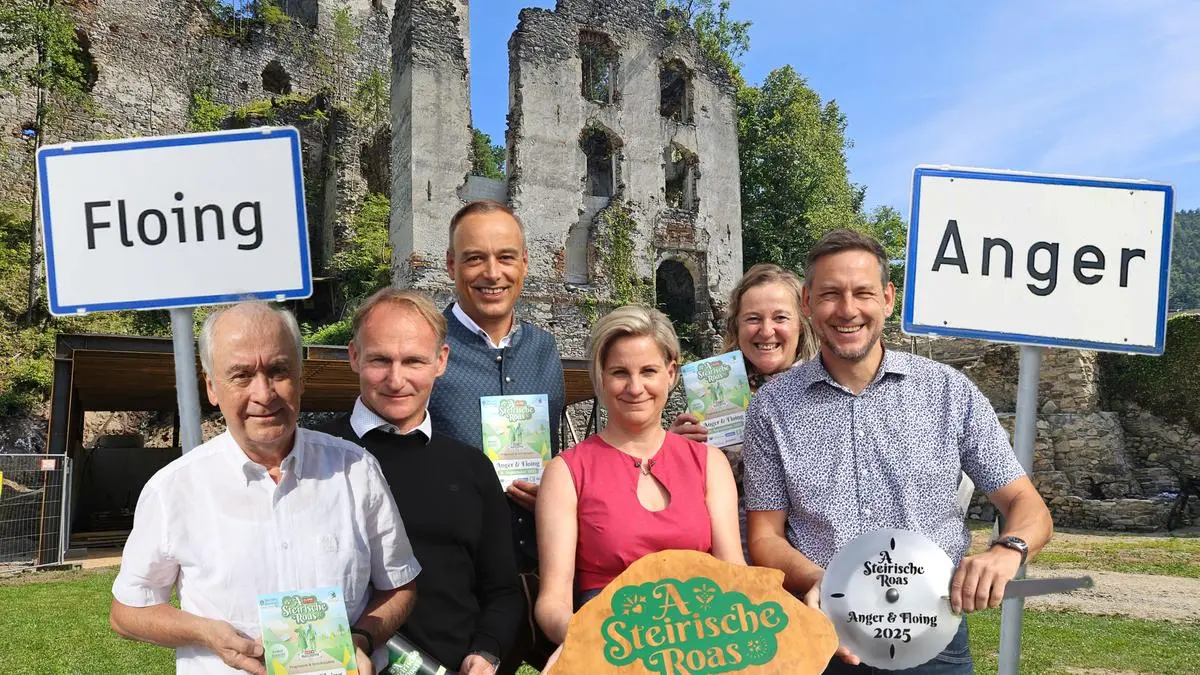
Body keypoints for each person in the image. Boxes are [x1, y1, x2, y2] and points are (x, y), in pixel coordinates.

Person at [742, 229, 1054, 674]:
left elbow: (1028, 505)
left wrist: (1008, 550)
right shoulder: (771, 408)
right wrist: (820, 581)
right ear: (808, 303)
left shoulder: (949, 392)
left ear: (888, 299)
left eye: (863, 292)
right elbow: (765, 537)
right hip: (822, 635)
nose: (848, 310)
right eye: (830, 294)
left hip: (933, 638)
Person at [109, 301, 421, 675]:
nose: (264, 393)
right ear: (212, 387)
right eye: (241, 375)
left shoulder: (356, 470)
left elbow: (399, 587)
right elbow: (127, 612)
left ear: (301, 377)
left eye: (278, 371)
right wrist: (206, 633)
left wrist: (361, 639)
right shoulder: (173, 489)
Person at [319, 288, 524, 674]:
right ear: (354, 357)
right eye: (380, 360)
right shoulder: (312, 460)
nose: (396, 379)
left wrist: (486, 651)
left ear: (440, 361)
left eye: (413, 361)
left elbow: (503, 590)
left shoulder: (472, 468)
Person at [535, 305, 745, 649]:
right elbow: (553, 601)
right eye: (620, 372)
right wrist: (587, 643)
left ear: (671, 373)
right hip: (612, 648)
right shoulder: (567, 471)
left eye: (648, 371)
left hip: (705, 648)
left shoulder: (710, 463)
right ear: (601, 376)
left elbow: (735, 576)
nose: (635, 388)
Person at [427, 200, 565, 672]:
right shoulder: (426, 351)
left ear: (525, 263)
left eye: (506, 257)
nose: (492, 272)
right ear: (450, 264)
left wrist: (555, 491)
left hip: (547, 571)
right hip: (465, 585)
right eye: (474, 258)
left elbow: (560, 455)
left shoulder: (545, 349)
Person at [667, 263, 820, 557]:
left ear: (802, 323)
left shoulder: (825, 388)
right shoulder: (711, 389)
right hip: (730, 551)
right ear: (736, 327)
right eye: (753, 318)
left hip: (808, 552)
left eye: (780, 317)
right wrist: (674, 451)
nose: (766, 331)